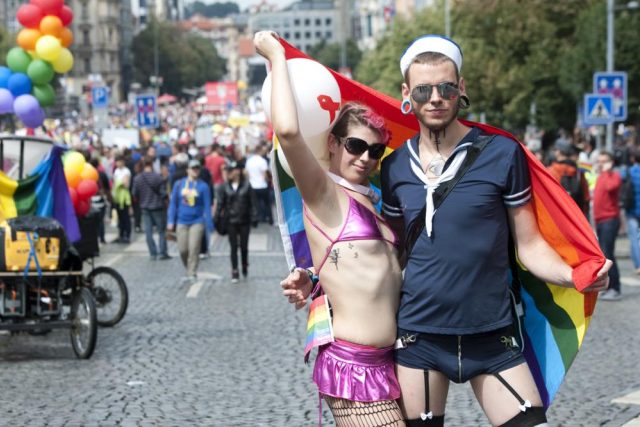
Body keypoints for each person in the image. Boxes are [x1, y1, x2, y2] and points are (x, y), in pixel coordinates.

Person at [281, 34, 612, 427]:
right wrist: (318, 277)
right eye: (423, 89)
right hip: (418, 339)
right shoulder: (394, 168)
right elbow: (389, 254)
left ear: (461, 89)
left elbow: (531, 246)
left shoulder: (502, 154)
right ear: (408, 94)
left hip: (492, 334)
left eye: (446, 87)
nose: (435, 96)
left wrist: (574, 275)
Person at [255, 31, 405, 427]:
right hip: (353, 368)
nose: (366, 157)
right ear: (334, 144)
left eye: (375, 150)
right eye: (356, 146)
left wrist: (311, 275)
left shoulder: (376, 199)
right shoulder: (324, 192)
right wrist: (276, 59)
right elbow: (288, 132)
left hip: (395, 363)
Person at [167, 159, 213, 284]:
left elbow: (207, 206)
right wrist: (170, 220)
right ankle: (188, 267)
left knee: (194, 248)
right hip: (181, 221)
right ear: (187, 170)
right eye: (193, 168)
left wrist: (209, 224)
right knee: (183, 250)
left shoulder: (203, 186)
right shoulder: (179, 184)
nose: (195, 171)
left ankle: (192, 271)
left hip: (197, 221)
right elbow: (173, 204)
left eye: (197, 168)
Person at [215, 162, 258, 283]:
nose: (229, 172)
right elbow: (220, 203)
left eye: (231, 170)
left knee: (244, 246)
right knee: (233, 247)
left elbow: (253, 202)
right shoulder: (225, 186)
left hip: (244, 220)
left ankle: (244, 264)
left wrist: (255, 217)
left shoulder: (246, 185)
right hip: (231, 221)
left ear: (237, 171)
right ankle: (234, 270)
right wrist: (217, 218)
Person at [593, 151, 623, 301]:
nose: (601, 163)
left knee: (608, 255)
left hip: (609, 220)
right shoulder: (601, 176)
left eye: (604, 161)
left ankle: (615, 288)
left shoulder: (613, 176)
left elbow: (612, 187)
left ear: (610, 162)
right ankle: (610, 286)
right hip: (601, 220)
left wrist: (607, 171)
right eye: (599, 161)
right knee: (605, 255)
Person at [132, 156, 171, 261]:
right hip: (158, 207)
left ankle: (153, 254)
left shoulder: (137, 178)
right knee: (161, 231)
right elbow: (163, 193)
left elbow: (134, 193)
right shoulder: (157, 177)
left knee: (148, 232)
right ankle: (163, 252)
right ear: (152, 164)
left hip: (144, 207)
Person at [547, 139, 590, 216]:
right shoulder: (579, 171)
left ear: (558, 152)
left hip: (558, 215)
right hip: (577, 215)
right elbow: (586, 195)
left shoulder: (551, 170)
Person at [245, 145, 273, 225]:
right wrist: (267, 180)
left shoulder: (249, 161)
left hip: (253, 186)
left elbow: (246, 173)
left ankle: (256, 220)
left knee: (255, 204)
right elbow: (265, 174)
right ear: (259, 150)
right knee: (267, 203)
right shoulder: (262, 161)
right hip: (262, 185)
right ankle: (270, 219)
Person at [111, 155, 132, 244]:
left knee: (125, 217)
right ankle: (121, 234)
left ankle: (127, 235)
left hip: (124, 197)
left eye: (119, 161)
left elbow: (126, 184)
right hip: (117, 197)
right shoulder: (116, 171)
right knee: (119, 217)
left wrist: (119, 183)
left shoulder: (126, 171)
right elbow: (116, 182)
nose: (118, 163)